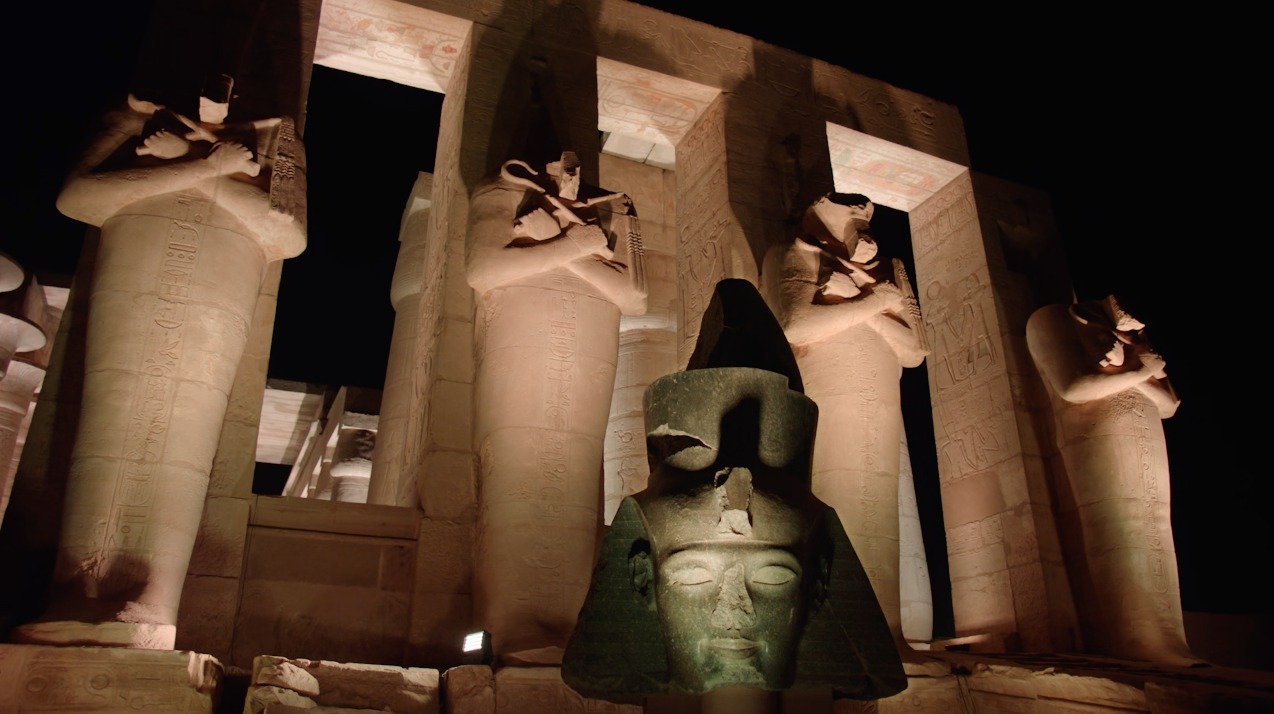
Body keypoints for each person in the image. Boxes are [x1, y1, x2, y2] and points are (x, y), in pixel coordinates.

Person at [760, 192, 926, 653]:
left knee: (876, 509)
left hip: (878, 391)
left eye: (866, 216)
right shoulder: (796, 252)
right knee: (830, 500)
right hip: (826, 384)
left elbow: (914, 350)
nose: (862, 220)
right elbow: (796, 325)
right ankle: (830, 633)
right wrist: (874, 306)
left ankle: (885, 633)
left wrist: (867, 302)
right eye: (852, 212)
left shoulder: (887, 272)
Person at [1027, 295, 1198, 665]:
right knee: (1118, 530)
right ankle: (1132, 639)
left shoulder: (1127, 337)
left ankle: (1169, 639)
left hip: (1143, 432)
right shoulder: (1050, 320)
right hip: (1097, 433)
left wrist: (1135, 365)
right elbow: (1073, 387)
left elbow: (1169, 403)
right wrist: (1138, 372)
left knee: (1156, 529)